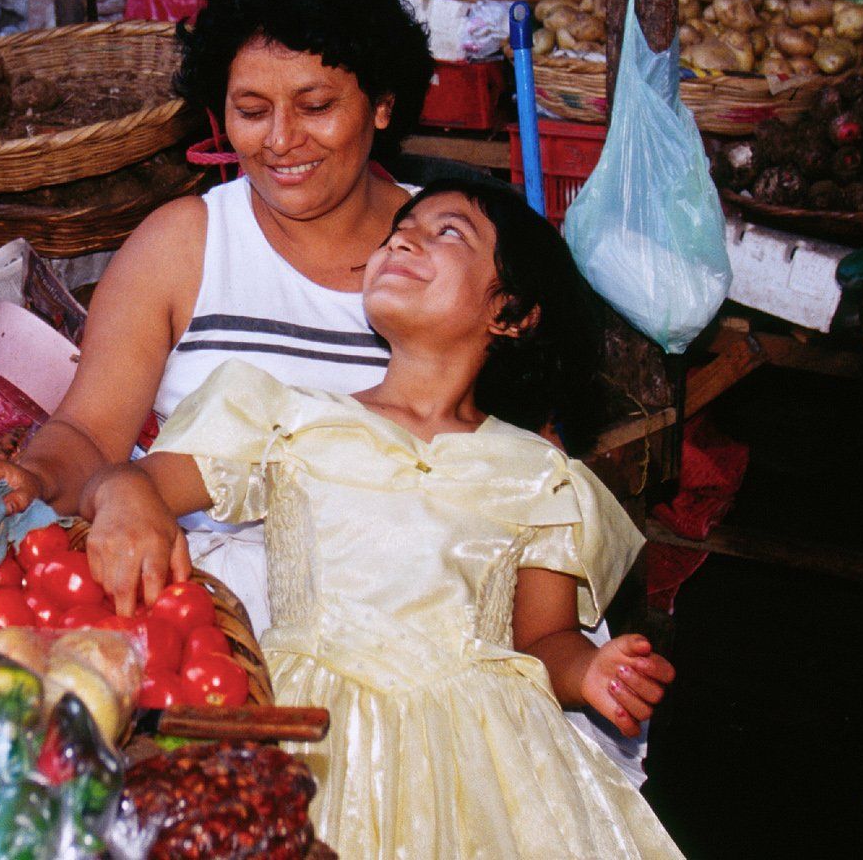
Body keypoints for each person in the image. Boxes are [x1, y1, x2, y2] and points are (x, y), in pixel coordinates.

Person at [77, 181, 680, 858]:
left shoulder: (538, 471)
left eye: (448, 233)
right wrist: (125, 492)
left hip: (484, 752)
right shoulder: (288, 419)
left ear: (509, 312)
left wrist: (591, 671)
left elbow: (545, 640)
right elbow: (130, 480)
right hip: (313, 725)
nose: (404, 238)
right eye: (401, 228)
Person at [0, 0, 433, 626]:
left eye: (315, 106)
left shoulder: (446, 248)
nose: (282, 140)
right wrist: (33, 479)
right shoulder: (184, 243)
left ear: (381, 106)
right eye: (253, 111)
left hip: (398, 609)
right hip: (198, 607)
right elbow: (89, 431)